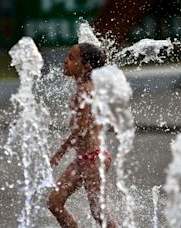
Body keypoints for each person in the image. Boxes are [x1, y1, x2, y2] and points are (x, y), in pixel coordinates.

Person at [47, 43, 117, 228]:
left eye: (71, 58)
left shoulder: (85, 90)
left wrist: (58, 154)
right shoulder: (89, 87)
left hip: (93, 159)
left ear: (85, 67)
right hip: (87, 158)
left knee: (98, 213)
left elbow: (82, 128)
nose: (65, 61)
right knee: (55, 202)